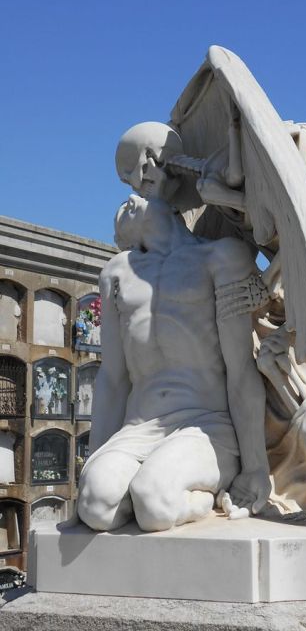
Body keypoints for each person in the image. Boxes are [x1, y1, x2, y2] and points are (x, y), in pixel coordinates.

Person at [77, 145, 271, 531]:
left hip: (205, 426)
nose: (130, 200)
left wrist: (256, 468)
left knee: (154, 502)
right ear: (123, 236)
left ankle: (197, 496)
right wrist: (95, 462)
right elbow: (113, 378)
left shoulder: (223, 258)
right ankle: (143, 489)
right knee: (95, 506)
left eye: (136, 194)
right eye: (121, 208)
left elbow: (240, 371)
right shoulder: (116, 274)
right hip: (138, 429)